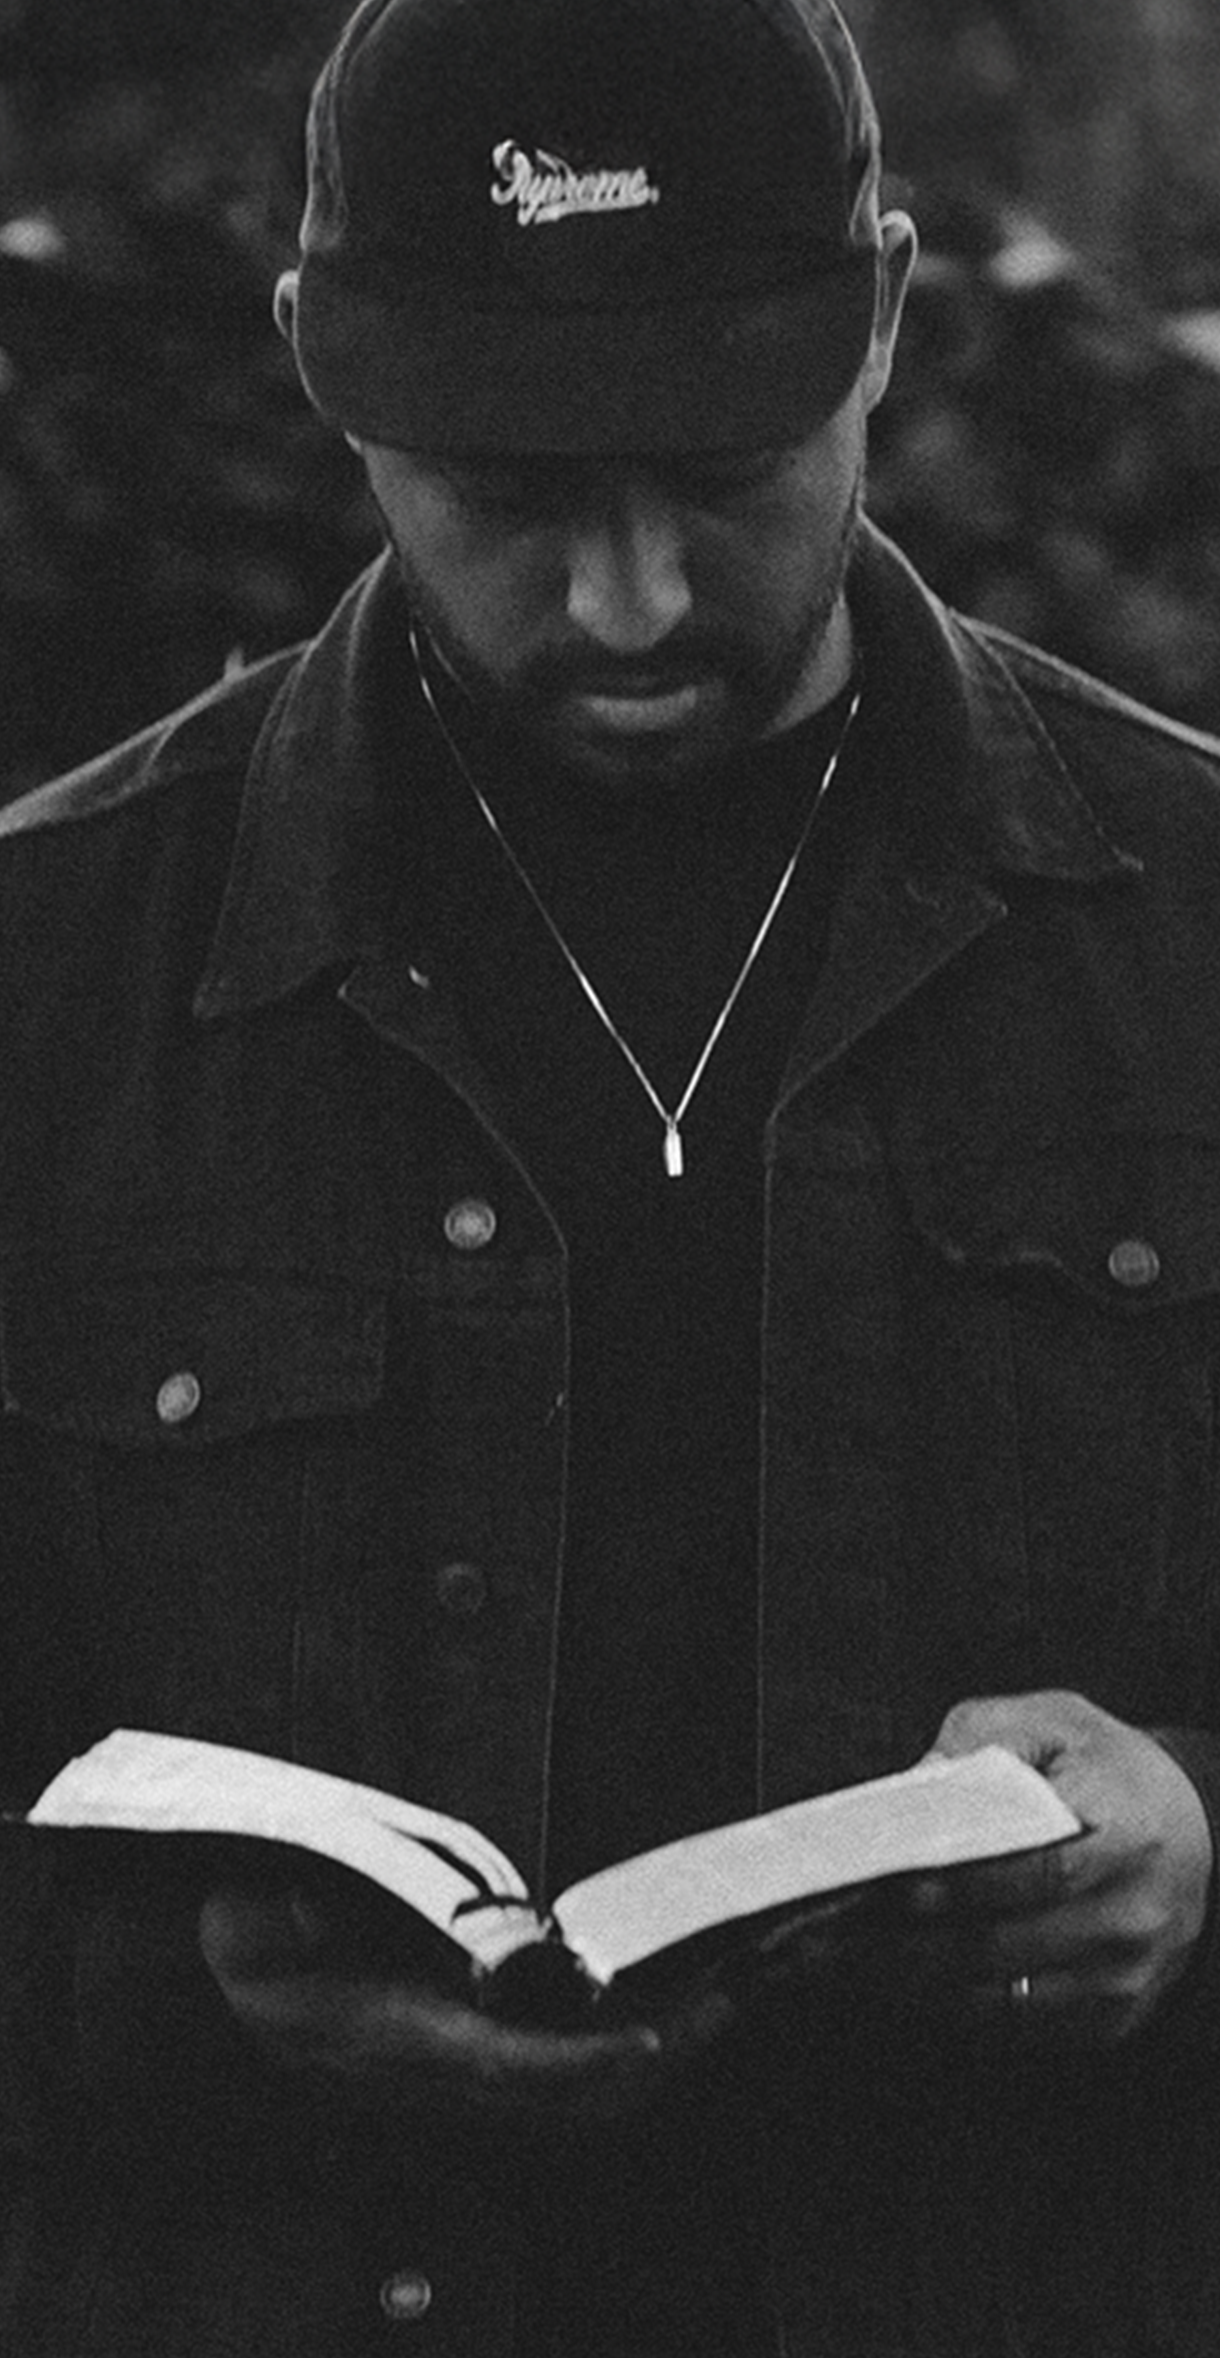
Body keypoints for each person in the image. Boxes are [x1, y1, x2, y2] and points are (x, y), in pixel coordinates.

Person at [1, 0, 1218, 2349]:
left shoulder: (1198, 932)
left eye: (728, 469)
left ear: (886, 314)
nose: (633, 603)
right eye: (511, 492)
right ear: (318, 371)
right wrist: (160, 1990)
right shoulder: (51, 977)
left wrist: (1200, 1846)